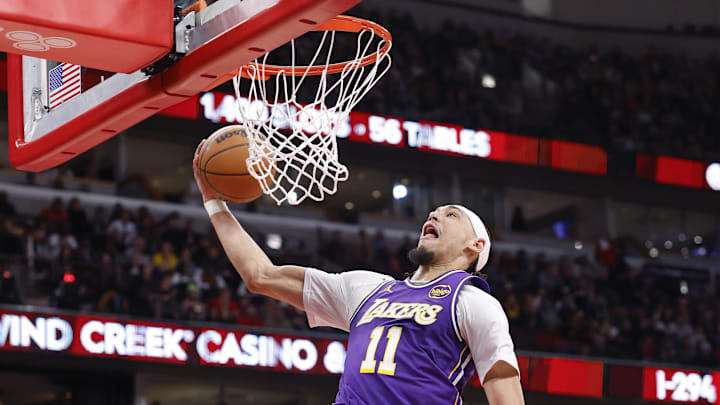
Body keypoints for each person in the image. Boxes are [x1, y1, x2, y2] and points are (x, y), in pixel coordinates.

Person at [192, 139, 524, 405]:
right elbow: (261, 275)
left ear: (475, 246)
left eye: (450, 215)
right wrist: (213, 203)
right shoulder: (369, 288)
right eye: (433, 212)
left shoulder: (471, 301)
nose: (434, 216)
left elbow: (501, 379)